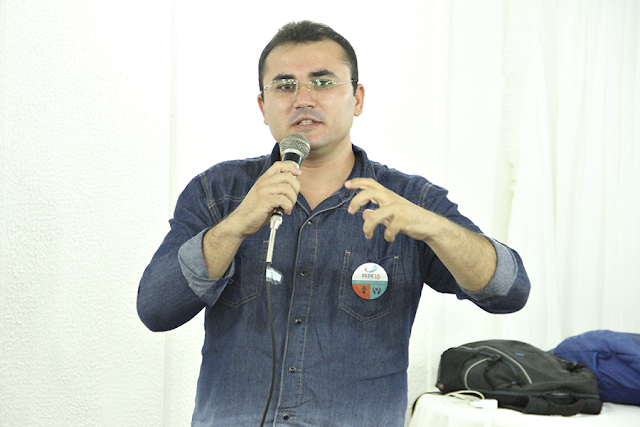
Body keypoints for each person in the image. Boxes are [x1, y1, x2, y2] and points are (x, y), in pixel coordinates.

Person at [137, 20, 530, 427]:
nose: (303, 99)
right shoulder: (219, 192)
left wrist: (434, 228)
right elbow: (155, 309)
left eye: (323, 83)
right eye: (284, 85)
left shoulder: (408, 200)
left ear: (357, 99)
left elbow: (509, 291)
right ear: (263, 106)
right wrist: (234, 227)